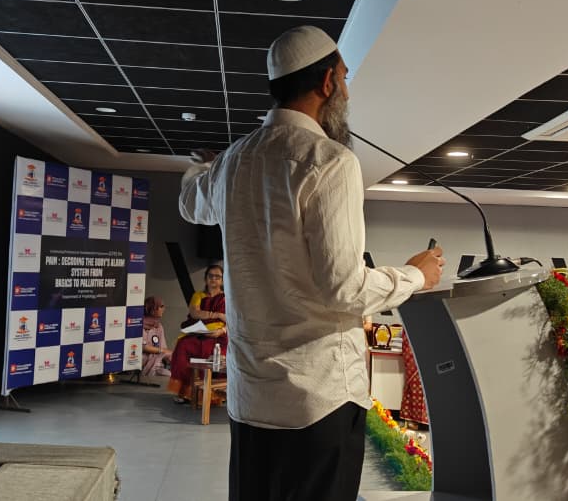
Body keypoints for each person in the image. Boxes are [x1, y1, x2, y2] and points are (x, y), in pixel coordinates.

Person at [178, 25, 444, 501]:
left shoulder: (233, 162)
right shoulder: (330, 161)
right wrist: (415, 276)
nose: (347, 92)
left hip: (250, 399)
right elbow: (344, 288)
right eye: (345, 78)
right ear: (327, 83)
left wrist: (203, 166)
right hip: (318, 400)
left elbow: (188, 203)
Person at [166, 264, 227, 404]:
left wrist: (221, 331)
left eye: (217, 277)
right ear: (205, 278)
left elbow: (233, 320)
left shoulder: (226, 298)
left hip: (219, 336)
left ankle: (212, 395)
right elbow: (195, 313)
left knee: (210, 352)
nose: (213, 279)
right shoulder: (198, 295)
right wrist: (217, 314)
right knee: (182, 346)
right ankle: (184, 392)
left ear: (222, 280)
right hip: (198, 333)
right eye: (210, 276)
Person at [141, 296, 172, 377]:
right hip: (142, 362)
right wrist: (162, 351)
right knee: (168, 376)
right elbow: (143, 346)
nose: (163, 309)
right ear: (152, 309)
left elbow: (163, 347)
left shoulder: (159, 326)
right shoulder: (138, 324)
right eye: (161, 306)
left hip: (157, 362)